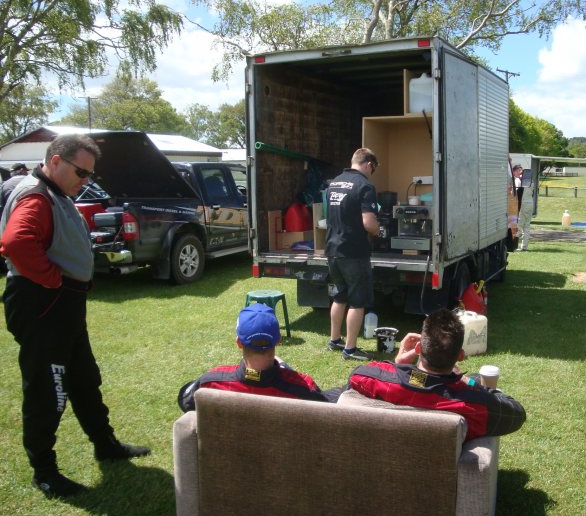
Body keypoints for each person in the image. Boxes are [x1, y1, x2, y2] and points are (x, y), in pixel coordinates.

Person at [0, 134, 150, 499]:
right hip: (44, 305)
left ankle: (105, 444)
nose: (86, 180)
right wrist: (54, 280)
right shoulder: (36, 196)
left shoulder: (57, 194)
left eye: (89, 174)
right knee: (47, 391)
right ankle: (45, 473)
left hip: (62, 306)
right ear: (54, 161)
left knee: (84, 378)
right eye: (81, 172)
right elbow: (16, 243)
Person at [347, 309, 526, 440]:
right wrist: (467, 381)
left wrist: (399, 365)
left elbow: (356, 375)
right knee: (475, 378)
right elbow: (516, 414)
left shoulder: (379, 380)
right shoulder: (474, 404)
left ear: (418, 349)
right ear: (460, 356)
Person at [178, 303, 335, 411]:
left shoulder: (211, 383)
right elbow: (326, 407)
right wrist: (285, 369)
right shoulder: (303, 388)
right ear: (279, 340)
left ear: (239, 342)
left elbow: (185, 400)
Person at [324, 147, 380, 361]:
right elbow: (368, 223)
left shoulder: (335, 182)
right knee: (357, 300)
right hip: (354, 251)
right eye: (372, 169)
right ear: (368, 165)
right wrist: (379, 229)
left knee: (339, 295)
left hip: (333, 249)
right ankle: (350, 349)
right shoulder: (365, 186)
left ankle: (334, 339)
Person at [512, 164, 534, 251]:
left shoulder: (518, 180)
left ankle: (514, 244)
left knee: (519, 225)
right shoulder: (531, 181)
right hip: (530, 203)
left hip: (522, 204)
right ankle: (524, 246)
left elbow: (516, 193)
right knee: (527, 226)